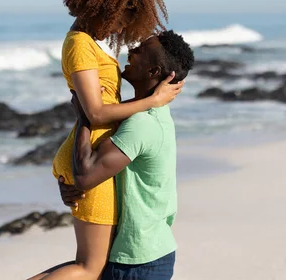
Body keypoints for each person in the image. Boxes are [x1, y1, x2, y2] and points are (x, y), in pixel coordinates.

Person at [28, 0, 183, 280]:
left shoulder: (87, 42)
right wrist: (153, 100)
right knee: (89, 267)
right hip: (89, 157)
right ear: (103, 5)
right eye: (124, 15)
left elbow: (96, 111)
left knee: (90, 266)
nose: (124, 26)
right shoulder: (80, 45)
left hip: (95, 156)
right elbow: (96, 112)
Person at [57, 30, 194, 280]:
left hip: (138, 262)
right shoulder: (146, 116)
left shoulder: (142, 123)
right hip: (141, 253)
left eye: (140, 50)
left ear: (153, 71)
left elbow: (86, 176)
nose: (131, 51)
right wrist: (66, 184)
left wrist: (86, 117)